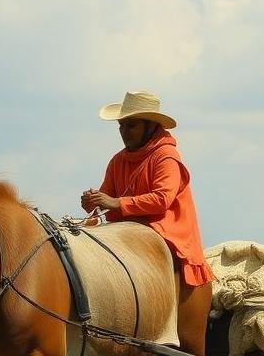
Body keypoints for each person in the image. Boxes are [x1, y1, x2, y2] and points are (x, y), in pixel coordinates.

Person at [80, 91, 215, 287]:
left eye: (132, 126)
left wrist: (115, 202)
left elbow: (162, 200)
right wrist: (93, 202)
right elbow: (105, 200)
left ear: (150, 126)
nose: (124, 132)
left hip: (165, 232)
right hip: (126, 230)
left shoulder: (166, 155)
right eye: (121, 126)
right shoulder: (117, 161)